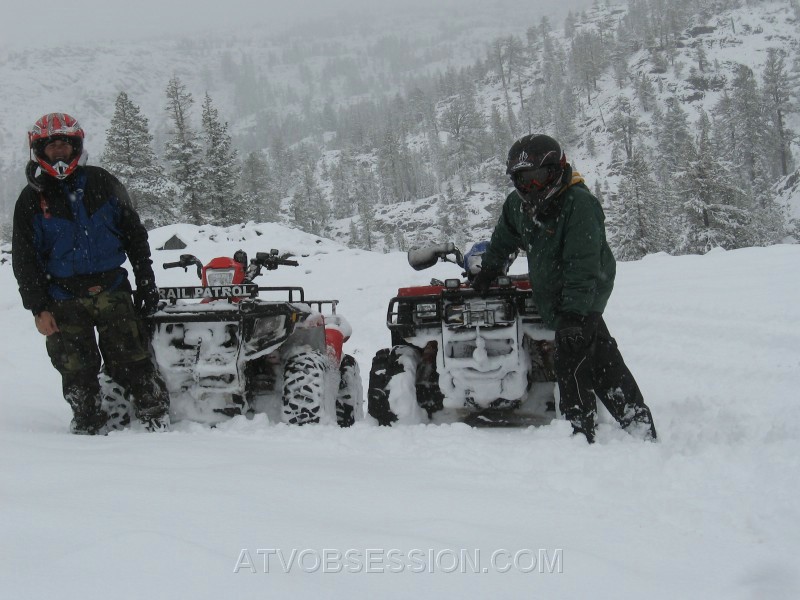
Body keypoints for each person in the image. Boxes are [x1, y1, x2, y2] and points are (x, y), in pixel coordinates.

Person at [472, 134, 656, 443]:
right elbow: (504, 237)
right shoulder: (517, 205)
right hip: (554, 290)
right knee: (598, 353)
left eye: (538, 177)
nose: (531, 186)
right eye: (523, 179)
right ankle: (633, 423)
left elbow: (583, 265)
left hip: (586, 289)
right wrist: (489, 269)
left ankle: (581, 431)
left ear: (557, 169)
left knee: (575, 354)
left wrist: (574, 313)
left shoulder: (579, 205)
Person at [12, 112, 170, 435]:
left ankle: (154, 415)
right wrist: (38, 308)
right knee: (76, 371)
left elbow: (134, 235)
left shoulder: (103, 182)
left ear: (76, 146)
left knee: (133, 358)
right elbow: (25, 260)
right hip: (63, 298)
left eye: (64, 145)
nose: (58, 151)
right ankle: (87, 425)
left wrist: (146, 281)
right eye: (51, 146)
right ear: (39, 151)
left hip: (112, 287)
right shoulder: (31, 199)